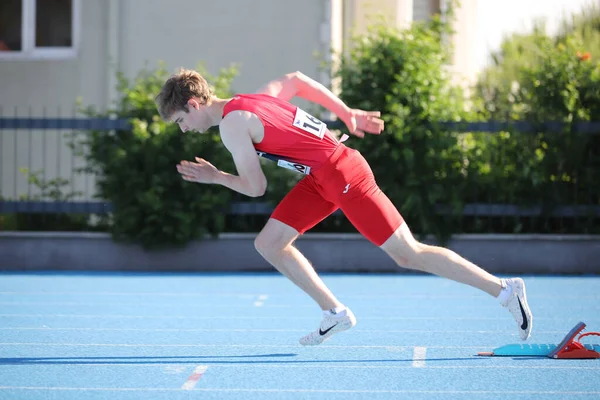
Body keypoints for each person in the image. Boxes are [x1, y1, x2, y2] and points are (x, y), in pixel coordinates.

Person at [155, 69, 533, 346]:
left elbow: (256, 188)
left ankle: (504, 289)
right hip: (322, 177)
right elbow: (297, 79)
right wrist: (346, 111)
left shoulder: (232, 125)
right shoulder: (253, 98)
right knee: (269, 243)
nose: (183, 130)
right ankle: (334, 312)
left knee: (408, 254)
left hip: (341, 171)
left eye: (180, 121)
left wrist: (216, 176)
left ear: (193, 104)